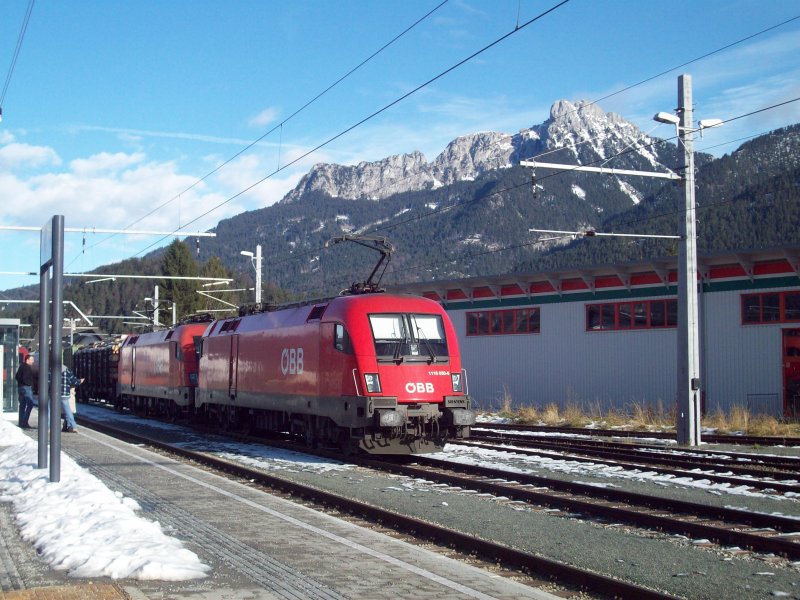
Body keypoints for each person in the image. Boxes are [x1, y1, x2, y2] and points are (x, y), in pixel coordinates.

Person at [60, 365, 84, 433]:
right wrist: (80, 381)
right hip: (64, 393)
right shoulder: (67, 371)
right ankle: (72, 426)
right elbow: (74, 381)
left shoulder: (51, 369)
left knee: (50, 410)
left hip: (54, 393)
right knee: (68, 410)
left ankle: (49, 427)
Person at [15, 354, 36, 429]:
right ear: (27, 360)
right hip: (26, 388)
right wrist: (29, 384)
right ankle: (24, 422)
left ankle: (21, 422)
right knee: (30, 404)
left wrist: (21, 383)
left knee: (22, 405)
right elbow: (25, 378)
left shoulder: (21, 366)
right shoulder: (27, 367)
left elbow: (16, 376)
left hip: (20, 387)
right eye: (32, 360)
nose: (33, 361)